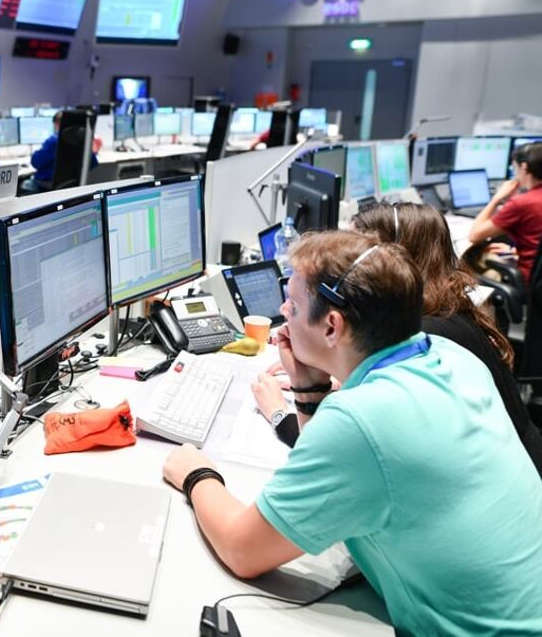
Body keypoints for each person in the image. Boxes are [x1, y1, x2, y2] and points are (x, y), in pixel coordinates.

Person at [163, 231, 542, 635]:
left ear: (332, 326)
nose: (282, 310)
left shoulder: (362, 420)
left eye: (291, 302)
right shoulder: (451, 356)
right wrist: (309, 391)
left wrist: (197, 475)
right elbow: (334, 477)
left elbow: (242, 550)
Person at [253, 202, 542, 476]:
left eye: (358, 249)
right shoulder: (444, 308)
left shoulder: (422, 334)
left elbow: (340, 453)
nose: (347, 258)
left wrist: (280, 413)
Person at [468, 142, 542, 282]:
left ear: (524, 167)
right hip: (538, 278)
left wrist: (496, 199)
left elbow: (474, 235)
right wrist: (513, 251)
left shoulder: (522, 203)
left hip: (530, 282)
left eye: (514, 167)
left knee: (473, 260)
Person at [25, 111, 101, 194]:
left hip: (46, 187)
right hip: (73, 188)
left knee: (23, 184)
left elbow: (35, 162)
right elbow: (93, 163)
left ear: (57, 124)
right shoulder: (83, 140)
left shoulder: (53, 141)